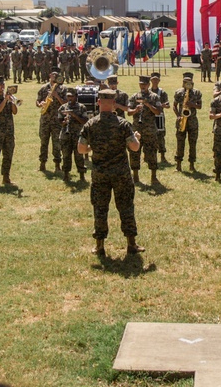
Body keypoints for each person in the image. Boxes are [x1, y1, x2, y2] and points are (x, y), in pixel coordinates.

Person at [77, 89, 144, 257]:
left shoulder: (90, 125)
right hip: (121, 173)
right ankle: (131, 244)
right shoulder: (122, 124)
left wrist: (94, 147)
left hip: (100, 174)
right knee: (126, 207)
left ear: (99, 103)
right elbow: (134, 147)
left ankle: (99, 246)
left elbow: (81, 149)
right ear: (114, 103)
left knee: (100, 209)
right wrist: (136, 138)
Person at [128, 75, 163, 186]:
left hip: (150, 130)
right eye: (141, 84)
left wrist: (148, 104)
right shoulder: (134, 96)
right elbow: (128, 112)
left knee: (152, 152)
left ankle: (153, 177)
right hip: (137, 130)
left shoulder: (154, 97)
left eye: (144, 84)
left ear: (148, 85)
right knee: (134, 152)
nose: (142, 86)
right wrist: (135, 110)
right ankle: (135, 176)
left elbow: (158, 112)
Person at [36, 72, 66, 173]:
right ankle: (42, 164)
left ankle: (57, 165)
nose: (55, 77)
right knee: (43, 142)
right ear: (50, 76)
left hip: (57, 120)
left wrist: (57, 96)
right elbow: (37, 101)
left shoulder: (63, 89)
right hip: (45, 119)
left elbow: (65, 104)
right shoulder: (44, 88)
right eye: (53, 75)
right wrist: (40, 104)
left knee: (56, 142)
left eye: (57, 75)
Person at [172, 72, 202, 172]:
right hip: (182, 120)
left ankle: (192, 164)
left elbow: (200, 106)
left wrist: (192, 104)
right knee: (180, 142)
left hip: (192, 121)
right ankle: (178, 164)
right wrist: (178, 116)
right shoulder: (179, 92)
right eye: (185, 81)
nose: (187, 83)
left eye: (189, 81)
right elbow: (174, 105)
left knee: (192, 143)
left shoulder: (197, 92)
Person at [58, 88, 89, 181]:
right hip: (65, 135)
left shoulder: (81, 107)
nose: (69, 98)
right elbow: (60, 122)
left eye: (71, 96)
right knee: (66, 155)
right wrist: (65, 121)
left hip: (78, 135)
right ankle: (66, 174)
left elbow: (84, 121)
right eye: (68, 96)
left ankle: (81, 175)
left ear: (76, 97)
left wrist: (74, 115)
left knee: (79, 155)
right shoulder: (62, 108)